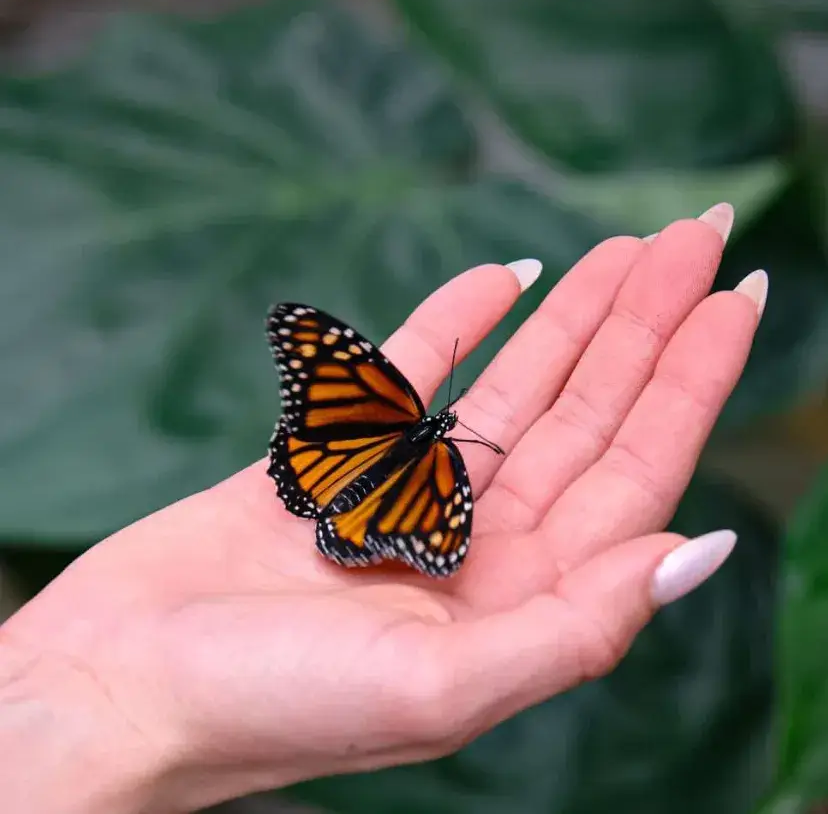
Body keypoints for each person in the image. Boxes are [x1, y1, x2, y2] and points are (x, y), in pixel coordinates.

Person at [0, 204, 765, 814]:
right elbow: (436, 519)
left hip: (330, 461)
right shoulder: (447, 468)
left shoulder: (415, 433)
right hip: (379, 495)